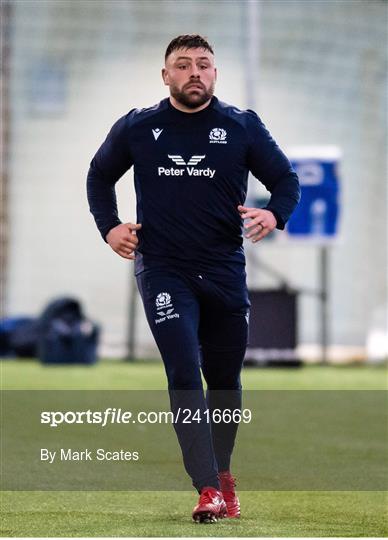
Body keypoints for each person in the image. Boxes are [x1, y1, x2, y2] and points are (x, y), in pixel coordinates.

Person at [87, 34, 300, 524]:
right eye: (182, 65)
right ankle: (207, 489)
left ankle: (223, 474)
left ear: (215, 74)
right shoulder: (139, 128)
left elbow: (285, 180)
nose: (194, 72)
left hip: (224, 270)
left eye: (203, 64)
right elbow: (99, 177)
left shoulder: (241, 127)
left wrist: (274, 216)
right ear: (166, 76)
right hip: (164, 269)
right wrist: (111, 227)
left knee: (223, 380)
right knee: (184, 371)